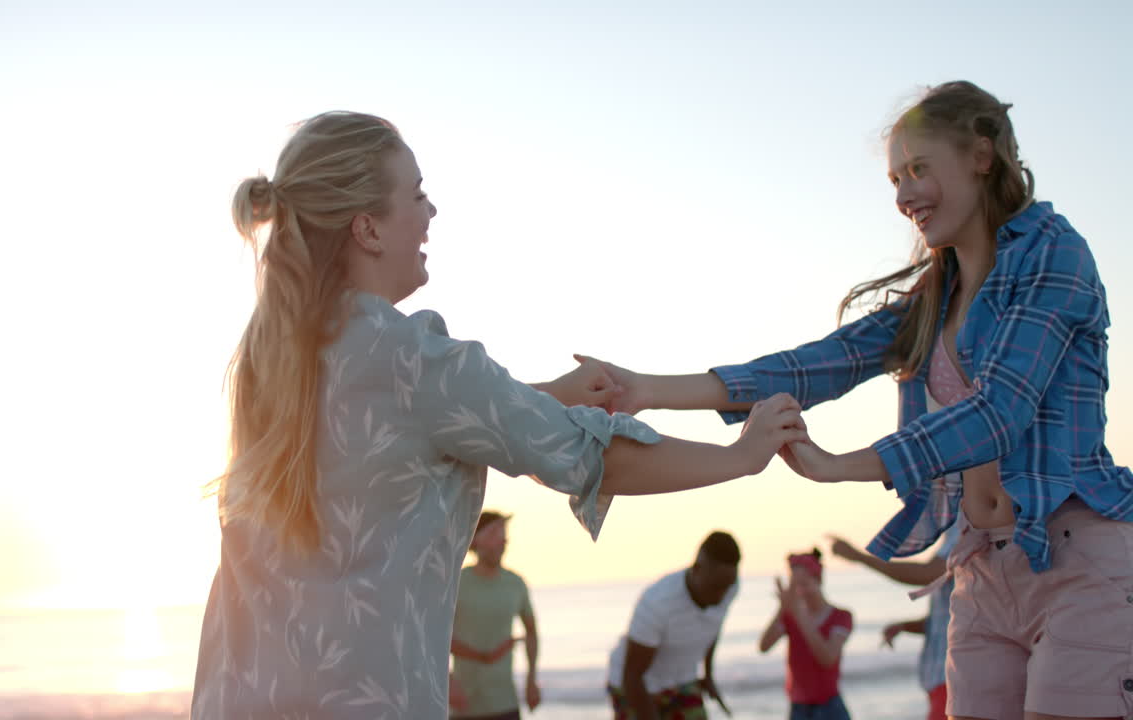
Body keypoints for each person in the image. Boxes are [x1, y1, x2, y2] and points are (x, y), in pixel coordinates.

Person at [189, 111, 809, 719]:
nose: (431, 212)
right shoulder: (415, 357)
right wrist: (741, 455)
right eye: (417, 194)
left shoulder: (269, 358)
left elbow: (397, 432)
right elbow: (596, 457)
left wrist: (547, 396)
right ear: (368, 229)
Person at [584, 80, 1133, 720]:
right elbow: (819, 364)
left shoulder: (1054, 253)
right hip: (981, 566)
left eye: (919, 169)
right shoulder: (936, 297)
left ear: (981, 156)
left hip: (1073, 556)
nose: (902, 197)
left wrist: (840, 465)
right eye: (896, 179)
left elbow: (999, 413)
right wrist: (646, 389)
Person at [605, 531, 741, 720]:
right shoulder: (657, 603)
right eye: (716, 587)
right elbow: (632, 676)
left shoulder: (729, 587)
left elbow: (712, 627)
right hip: (633, 685)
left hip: (680, 681)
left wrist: (708, 674)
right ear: (697, 569)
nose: (721, 596)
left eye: (727, 586)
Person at [829, 523, 958, 720]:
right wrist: (905, 626)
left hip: (952, 680)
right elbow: (951, 620)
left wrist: (859, 557)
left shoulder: (963, 527)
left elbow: (926, 574)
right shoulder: (954, 533)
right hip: (944, 682)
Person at [450, 511, 540, 720]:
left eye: (503, 534)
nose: (502, 539)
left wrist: (531, 680)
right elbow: (433, 636)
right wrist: (447, 681)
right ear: (474, 538)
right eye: (493, 533)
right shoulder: (456, 583)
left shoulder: (516, 583)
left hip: (506, 704)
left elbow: (532, 632)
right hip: (464, 707)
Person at [759, 549, 853, 720]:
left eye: (804, 583)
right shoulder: (790, 616)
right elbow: (764, 646)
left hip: (829, 705)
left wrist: (799, 614)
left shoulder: (841, 617)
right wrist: (783, 607)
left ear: (818, 580)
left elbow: (827, 658)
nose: (800, 591)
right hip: (798, 708)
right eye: (795, 585)